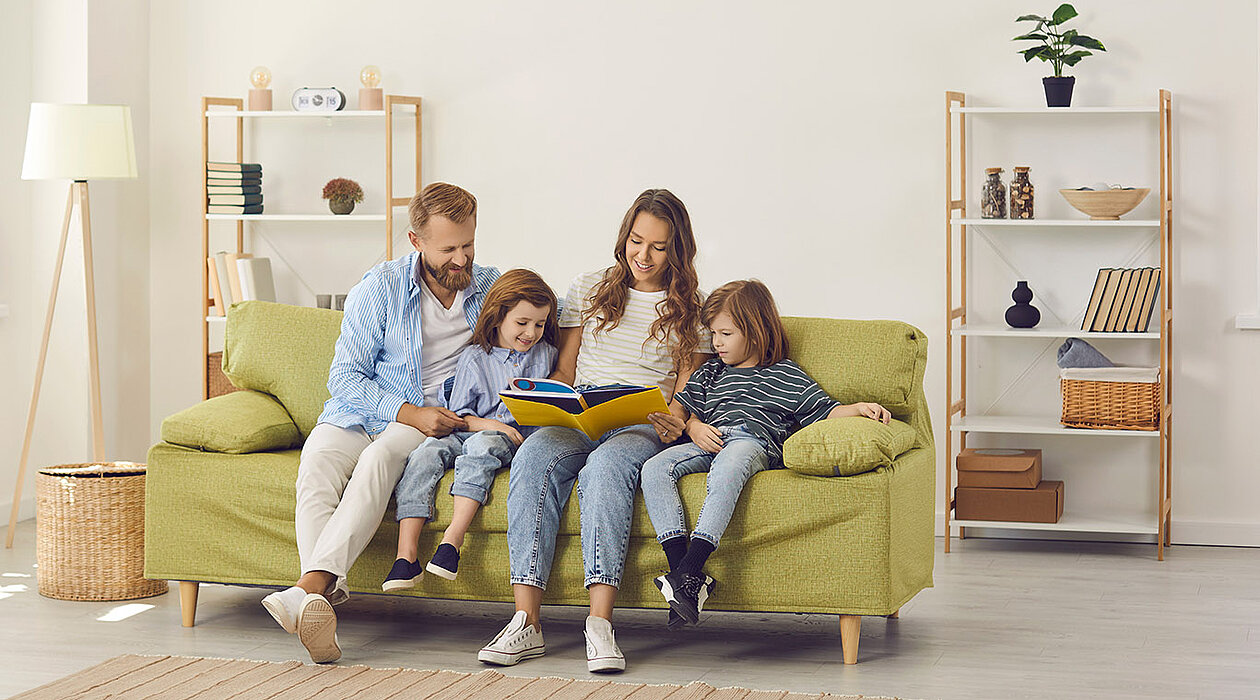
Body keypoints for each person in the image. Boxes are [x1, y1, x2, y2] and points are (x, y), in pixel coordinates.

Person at [260, 183, 500, 664]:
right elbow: (345, 377)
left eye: (468, 245)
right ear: (416, 241)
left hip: (430, 418)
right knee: (318, 461)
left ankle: (309, 592)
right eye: (448, 248)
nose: (461, 259)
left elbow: (544, 315)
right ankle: (317, 598)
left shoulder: (490, 286)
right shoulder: (380, 286)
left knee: (380, 458)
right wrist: (407, 411)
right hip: (374, 410)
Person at [477, 189, 711, 673]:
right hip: (581, 416)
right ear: (624, 236)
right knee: (533, 458)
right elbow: (566, 370)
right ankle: (526, 621)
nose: (642, 256)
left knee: (605, 469)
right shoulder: (590, 288)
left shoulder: (692, 306)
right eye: (635, 240)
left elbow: (688, 386)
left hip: (641, 423)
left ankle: (600, 624)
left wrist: (676, 417)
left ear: (678, 249)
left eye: (658, 246)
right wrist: (544, 397)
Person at [640, 279, 892, 626]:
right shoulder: (710, 372)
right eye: (713, 333)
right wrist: (694, 429)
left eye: (725, 334)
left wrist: (860, 407)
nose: (716, 343)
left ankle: (690, 568)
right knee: (654, 468)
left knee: (729, 466)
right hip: (707, 439)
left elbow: (826, 410)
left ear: (755, 333)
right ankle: (684, 575)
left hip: (751, 443)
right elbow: (686, 413)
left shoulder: (786, 375)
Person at [384, 269, 559, 590]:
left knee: (483, 447)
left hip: (506, 439)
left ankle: (452, 541)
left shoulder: (546, 356)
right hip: (469, 429)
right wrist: (486, 424)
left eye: (539, 324)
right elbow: (460, 415)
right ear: (497, 316)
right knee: (425, 453)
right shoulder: (474, 357)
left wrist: (499, 429)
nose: (531, 332)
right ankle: (405, 556)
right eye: (522, 323)